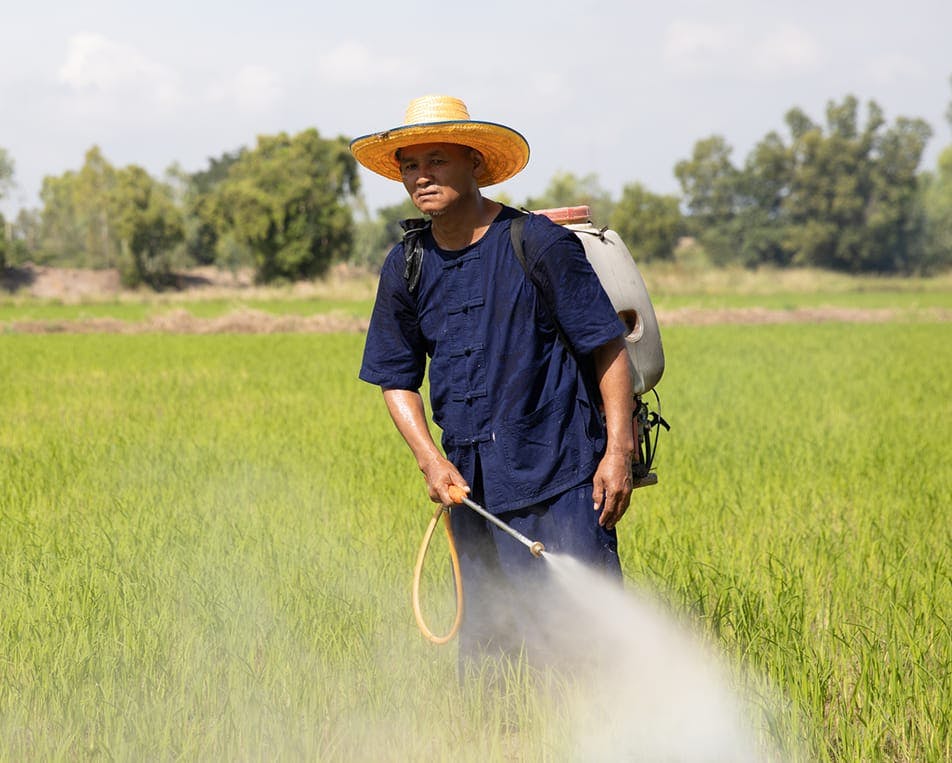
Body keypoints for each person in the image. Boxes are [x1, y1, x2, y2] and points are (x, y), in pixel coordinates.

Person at [352, 95, 634, 669]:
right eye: (410, 165)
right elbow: (396, 376)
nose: (421, 176)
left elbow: (608, 347)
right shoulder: (405, 266)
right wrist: (431, 461)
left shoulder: (537, 243)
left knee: (588, 645)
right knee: (488, 656)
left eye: (437, 160)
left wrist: (619, 452)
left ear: (475, 164)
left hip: (563, 479)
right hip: (472, 491)